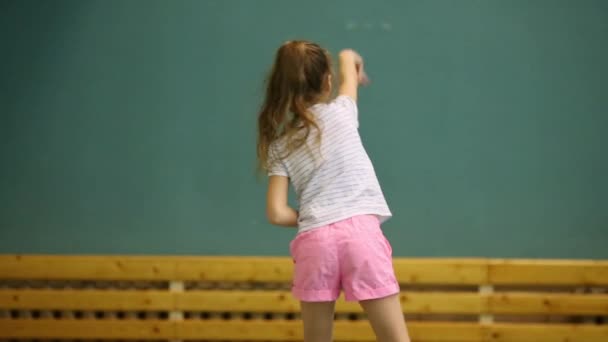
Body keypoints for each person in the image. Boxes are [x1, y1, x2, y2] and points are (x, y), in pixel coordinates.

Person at [256, 40, 410, 342]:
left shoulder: (279, 146)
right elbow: (347, 60)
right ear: (328, 82)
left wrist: (317, 214)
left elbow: (276, 212)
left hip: (315, 240)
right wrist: (354, 63)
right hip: (360, 237)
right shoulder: (342, 112)